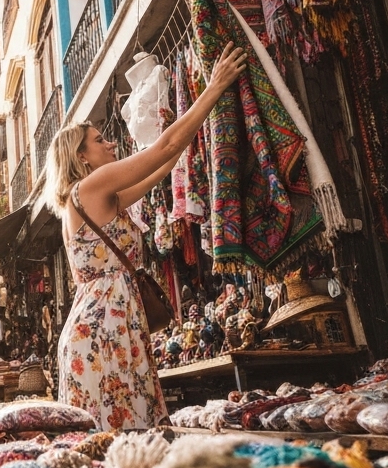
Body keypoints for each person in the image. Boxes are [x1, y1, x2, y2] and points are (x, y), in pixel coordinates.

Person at [46, 41, 246, 431]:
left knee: (119, 439)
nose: (110, 143)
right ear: (81, 156)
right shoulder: (94, 186)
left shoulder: (94, 197)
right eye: (100, 140)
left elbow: (167, 160)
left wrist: (202, 115)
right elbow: (165, 146)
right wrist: (214, 87)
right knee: (128, 433)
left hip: (107, 328)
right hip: (105, 332)